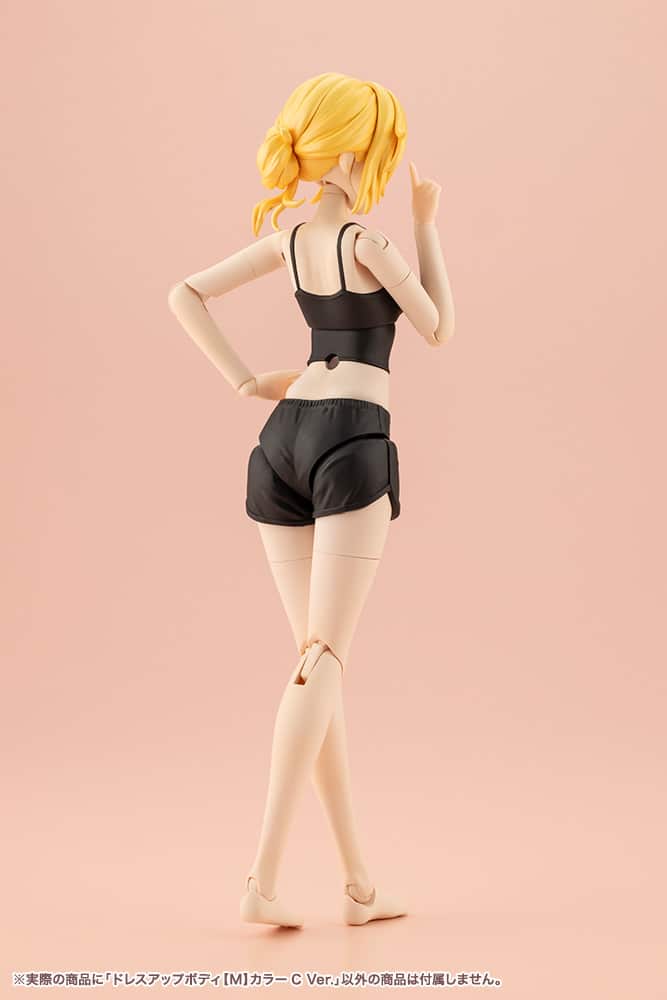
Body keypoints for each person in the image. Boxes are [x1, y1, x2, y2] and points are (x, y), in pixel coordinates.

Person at [167, 72, 455, 928]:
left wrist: (246, 382)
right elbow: (438, 327)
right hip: (350, 439)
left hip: (281, 442)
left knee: (316, 665)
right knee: (320, 661)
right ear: (359, 150)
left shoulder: (290, 239)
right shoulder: (368, 241)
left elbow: (185, 293)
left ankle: (359, 887)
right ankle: (260, 879)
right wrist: (426, 226)